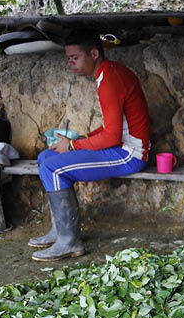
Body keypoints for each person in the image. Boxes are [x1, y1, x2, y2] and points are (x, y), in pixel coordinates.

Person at [30, 30, 152, 261]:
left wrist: (74, 145)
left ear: (94, 53)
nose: (70, 63)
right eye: (68, 58)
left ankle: (69, 241)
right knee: (45, 158)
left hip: (130, 153)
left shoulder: (109, 80)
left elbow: (113, 137)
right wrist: (78, 140)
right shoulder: (109, 73)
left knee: (52, 168)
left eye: (75, 57)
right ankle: (59, 230)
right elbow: (109, 129)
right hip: (120, 146)